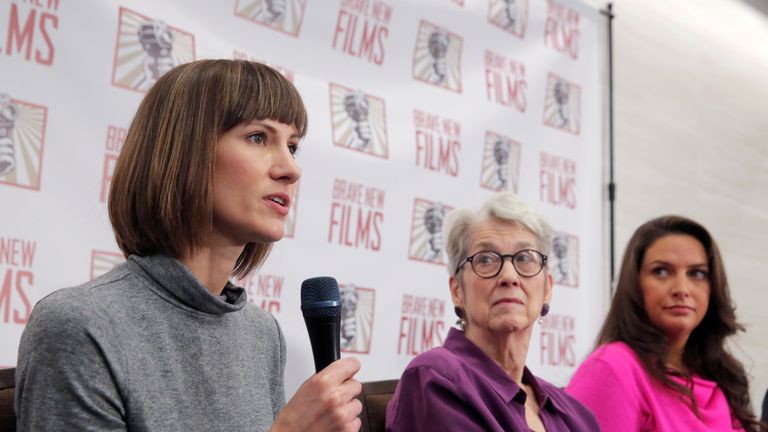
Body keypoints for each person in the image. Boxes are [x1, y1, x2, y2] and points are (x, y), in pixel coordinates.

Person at [15, 60, 362, 432]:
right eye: (258, 137)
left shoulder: (262, 335)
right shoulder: (80, 326)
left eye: (292, 147)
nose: (291, 169)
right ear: (184, 150)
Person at [386, 192, 598, 431]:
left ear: (547, 288)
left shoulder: (577, 416)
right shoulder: (436, 380)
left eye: (525, 258)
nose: (509, 276)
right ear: (457, 290)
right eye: (486, 259)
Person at [566, 215, 766, 432]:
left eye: (697, 274)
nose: (682, 288)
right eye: (661, 271)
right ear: (634, 283)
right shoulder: (612, 368)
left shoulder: (722, 377)